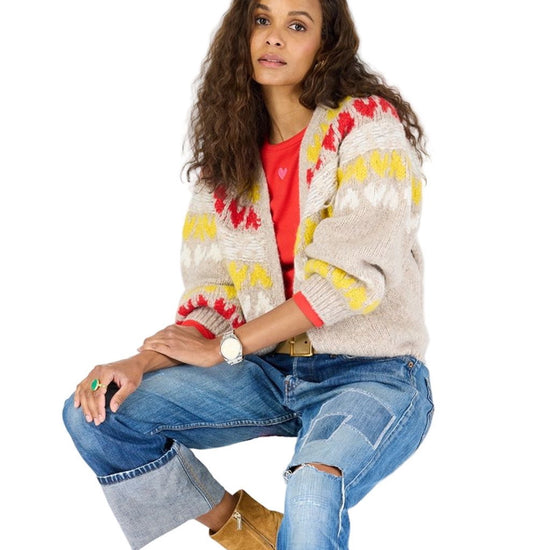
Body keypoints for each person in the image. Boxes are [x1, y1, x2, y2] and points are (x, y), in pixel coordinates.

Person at [63, 0, 434, 548]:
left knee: (313, 485)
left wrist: (228, 347)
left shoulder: (366, 125)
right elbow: (213, 302)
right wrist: (140, 363)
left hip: (373, 373)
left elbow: (350, 279)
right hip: (267, 372)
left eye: (297, 25)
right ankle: (247, 530)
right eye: (262, 20)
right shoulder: (228, 158)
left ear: (326, 46)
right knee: (99, 413)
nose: (274, 37)